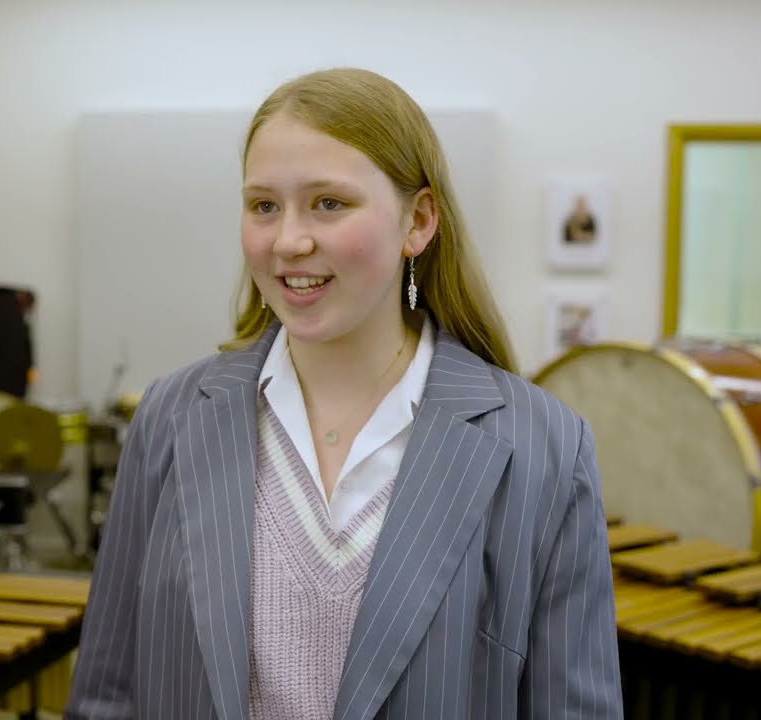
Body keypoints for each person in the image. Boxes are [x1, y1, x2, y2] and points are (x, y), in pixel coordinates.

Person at [65, 67, 621, 719]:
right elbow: (108, 695)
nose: (289, 241)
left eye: (329, 203)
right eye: (264, 205)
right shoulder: (171, 416)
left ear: (418, 221)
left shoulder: (543, 447)